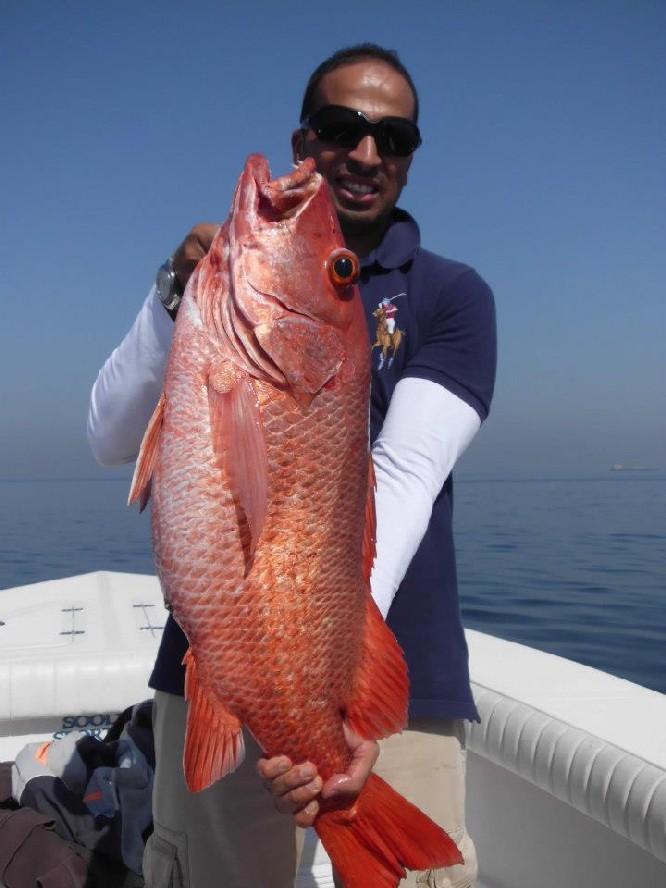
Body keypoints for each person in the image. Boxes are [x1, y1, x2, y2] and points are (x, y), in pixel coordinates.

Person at [87, 43, 496, 888]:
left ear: (412, 157)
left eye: (395, 138)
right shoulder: (213, 294)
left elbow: (403, 477)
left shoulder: (453, 296)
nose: (367, 153)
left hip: (394, 676)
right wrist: (176, 292)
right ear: (303, 141)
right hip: (215, 660)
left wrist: (334, 695)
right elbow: (110, 436)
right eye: (343, 128)